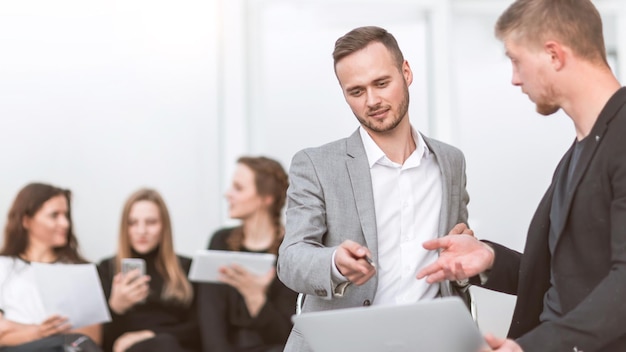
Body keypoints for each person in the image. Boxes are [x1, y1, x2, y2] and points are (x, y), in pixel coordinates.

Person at [417, 0, 626, 351]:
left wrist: (533, 346)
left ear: (554, 55)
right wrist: (489, 259)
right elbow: (569, 278)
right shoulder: (578, 152)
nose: (515, 78)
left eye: (516, 60)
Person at [276, 26, 472, 352]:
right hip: (345, 345)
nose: (372, 101)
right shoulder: (316, 164)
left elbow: (456, 258)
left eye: (382, 83)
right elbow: (291, 260)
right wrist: (335, 263)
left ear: (406, 72)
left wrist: (464, 266)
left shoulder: (451, 162)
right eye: (356, 91)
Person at [197, 156, 297, 352]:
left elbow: (288, 336)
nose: (228, 194)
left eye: (238, 188)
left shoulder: (292, 249)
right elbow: (210, 322)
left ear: (266, 198)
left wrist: (256, 298)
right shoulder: (220, 242)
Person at [0, 182, 102, 351]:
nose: (65, 223)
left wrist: (15, 327)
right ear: (26, 221)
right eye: (54, 215)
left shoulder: (78, 271)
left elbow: (90, 336)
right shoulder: (3, 267)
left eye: (66, 215)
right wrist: (39, 331)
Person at [97, 189, 200, 352]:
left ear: (164, 226)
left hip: (173, 347)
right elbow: (100, 341)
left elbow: (199, 329)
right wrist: (115, 309)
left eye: (151, 222)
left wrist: (149, 334)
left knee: (165, 343)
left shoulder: (187, 267)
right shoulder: (106, 269)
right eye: (132, 223)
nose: (141, 231)